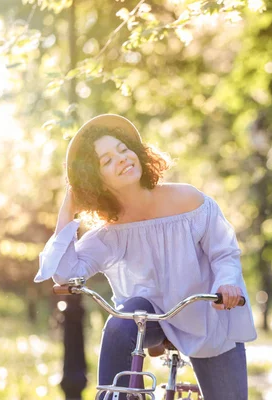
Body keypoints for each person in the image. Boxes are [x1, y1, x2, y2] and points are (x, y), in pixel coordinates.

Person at [34, 114, 257, 400]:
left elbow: (224, 252)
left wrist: (226, 284)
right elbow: (65, 274)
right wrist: (68, 206)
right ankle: (115, 397)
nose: (122, 159)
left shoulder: (188, 201)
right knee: (121, 322)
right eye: (107, 161)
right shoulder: (110, 233)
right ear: (96, 180)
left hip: (207, 317)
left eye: (123, 150)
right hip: (152, 320)